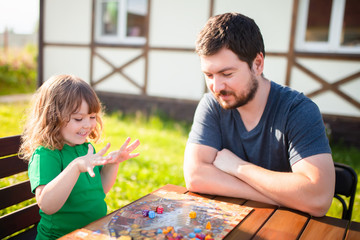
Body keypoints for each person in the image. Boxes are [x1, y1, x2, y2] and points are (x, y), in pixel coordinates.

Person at [183, 12, 335, 217]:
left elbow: (318, 198)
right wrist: (278, 196)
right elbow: (195, 176)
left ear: (258, 64)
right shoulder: (212, 105)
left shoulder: (298, 110)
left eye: (227, 74)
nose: (216, 87)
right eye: (209, 75)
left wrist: (238, 167)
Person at [19, 74, 140, 239]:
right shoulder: (46, 154)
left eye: (92, 117)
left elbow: (99, 190)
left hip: (92, 233)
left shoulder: (85, 148)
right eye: (78, 118)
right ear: (53, 117)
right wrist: (75, 167)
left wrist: (113, 163)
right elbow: (47, 205)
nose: (88, 125)